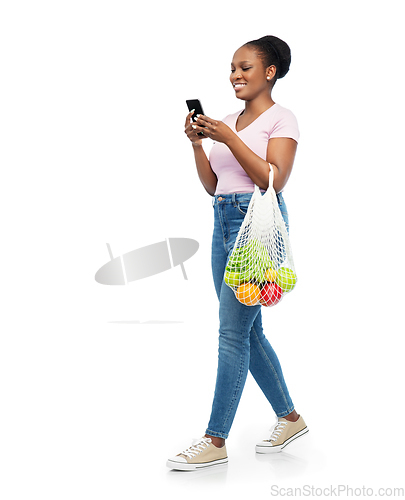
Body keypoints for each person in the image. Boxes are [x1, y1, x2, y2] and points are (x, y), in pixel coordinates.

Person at [167, 35, 308, 471]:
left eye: (245, 67)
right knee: (246, 331)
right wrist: (198, 144)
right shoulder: (227, 119)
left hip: (258, 226)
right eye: (232, 68)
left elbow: (273, 178)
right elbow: (214, 185)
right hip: (222, 221)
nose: (235, 75)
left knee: (231, 333)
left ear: (270, 72)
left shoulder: (283, 119)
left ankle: (215, 439)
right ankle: (290, 418)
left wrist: (229, 138)